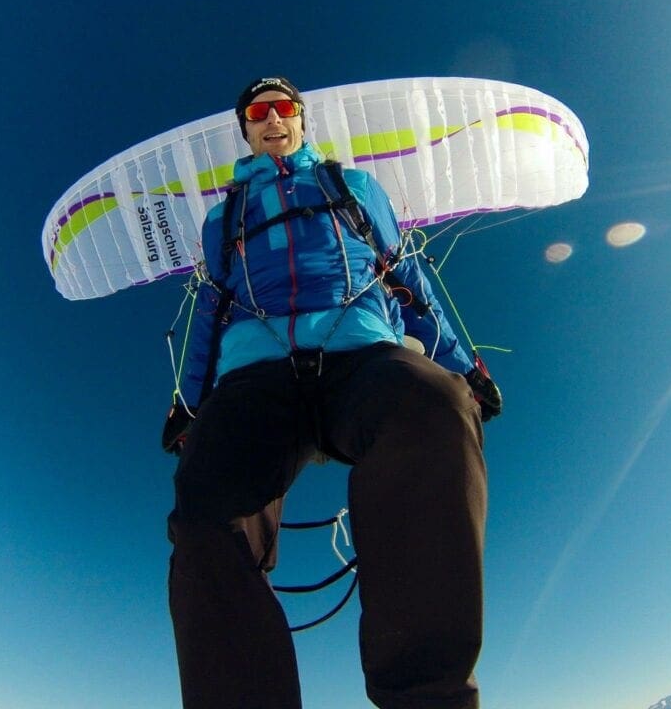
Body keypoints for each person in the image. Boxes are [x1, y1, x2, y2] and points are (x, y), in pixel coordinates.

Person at [164, 76, 502, 709]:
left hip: (359, 354)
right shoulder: (223, 217)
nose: (272, 118)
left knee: (434, 404)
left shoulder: (353, 188)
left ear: (300, 119)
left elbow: (406, 272)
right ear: (246, 129)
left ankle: (428, 696)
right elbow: (209, 310)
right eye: (258, 111)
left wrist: (464, 366)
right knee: (205, 498)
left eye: (283, 108)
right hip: (257, 374)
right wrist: (189, 404)